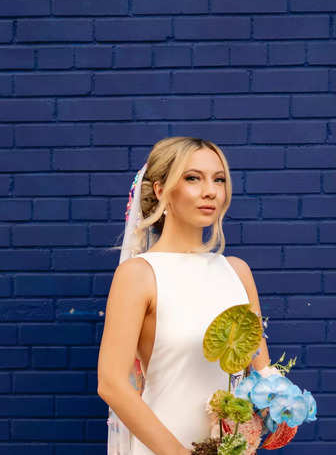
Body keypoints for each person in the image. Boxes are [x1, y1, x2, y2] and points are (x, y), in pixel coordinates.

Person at [97, 137, 280, 455]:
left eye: (218, 179)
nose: (210, 190)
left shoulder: (237, 273)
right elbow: (112, 383)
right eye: (193, 178)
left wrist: (271, 412)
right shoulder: (139, 274)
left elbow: (260, 374)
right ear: (159, 189)